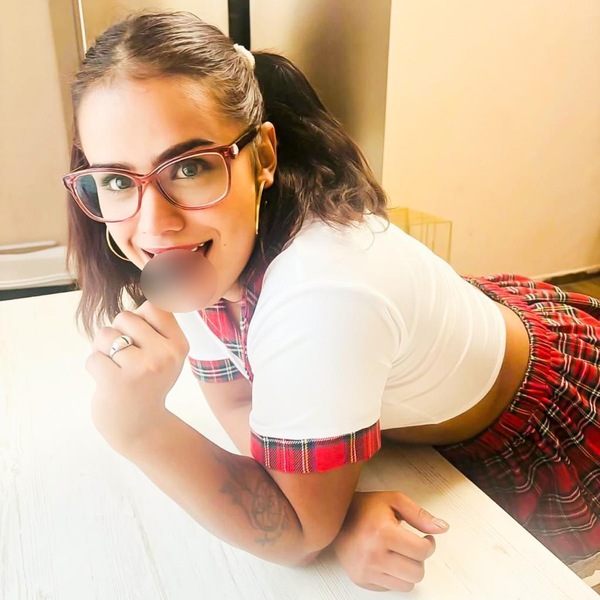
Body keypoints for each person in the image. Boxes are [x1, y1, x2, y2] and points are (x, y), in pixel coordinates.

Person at [63, 11, 600, 592]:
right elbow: (242, 401)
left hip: (539, 420)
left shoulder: (322, 291)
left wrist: (138, 428)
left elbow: (297, 536)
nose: (154, 224)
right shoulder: (208, 249)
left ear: (264, 157)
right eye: (116, 180)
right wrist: (330, 509)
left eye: (190, 167)